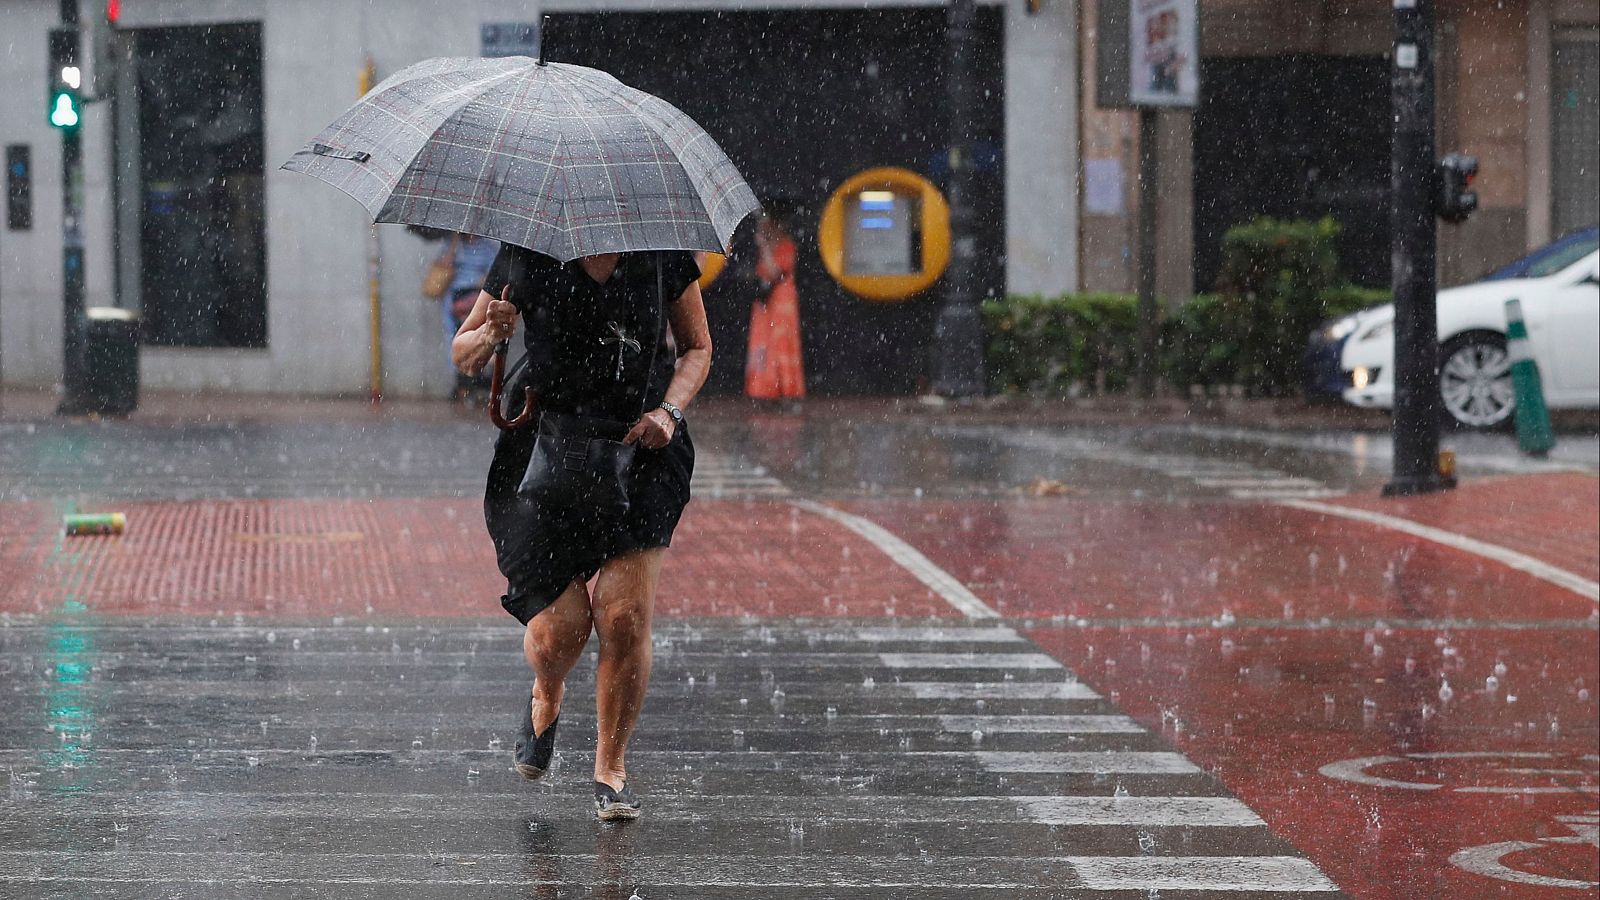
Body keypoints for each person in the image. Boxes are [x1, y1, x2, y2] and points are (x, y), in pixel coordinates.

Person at [451, 246, 709, 822]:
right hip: (544, 449)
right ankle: (547, 691)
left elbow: (697, 347)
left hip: (642, 448)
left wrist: (670, 411)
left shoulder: (662, 254)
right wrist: (493, 334)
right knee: (559, 634)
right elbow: (462, 355)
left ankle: (610, 768)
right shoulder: (527, 255)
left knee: (624, 616)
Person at [745, 211, 806, 401]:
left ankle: (784, 387)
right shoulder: (767, 248)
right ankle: (763, 387)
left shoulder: (786, 247)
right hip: (765, 303)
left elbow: (774, 272)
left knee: (780, 343)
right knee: (762, 343)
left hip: (781, 302)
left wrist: (764, 248)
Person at [443, 235, 501, 403]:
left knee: (481, 338)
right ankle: (463, 384)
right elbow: (443, 266)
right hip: (455, 299)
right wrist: (453, 245)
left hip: (476, 298)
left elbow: (494, 274)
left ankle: (479, 384)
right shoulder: (453, 245)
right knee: (457, 339)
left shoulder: (487, 248)